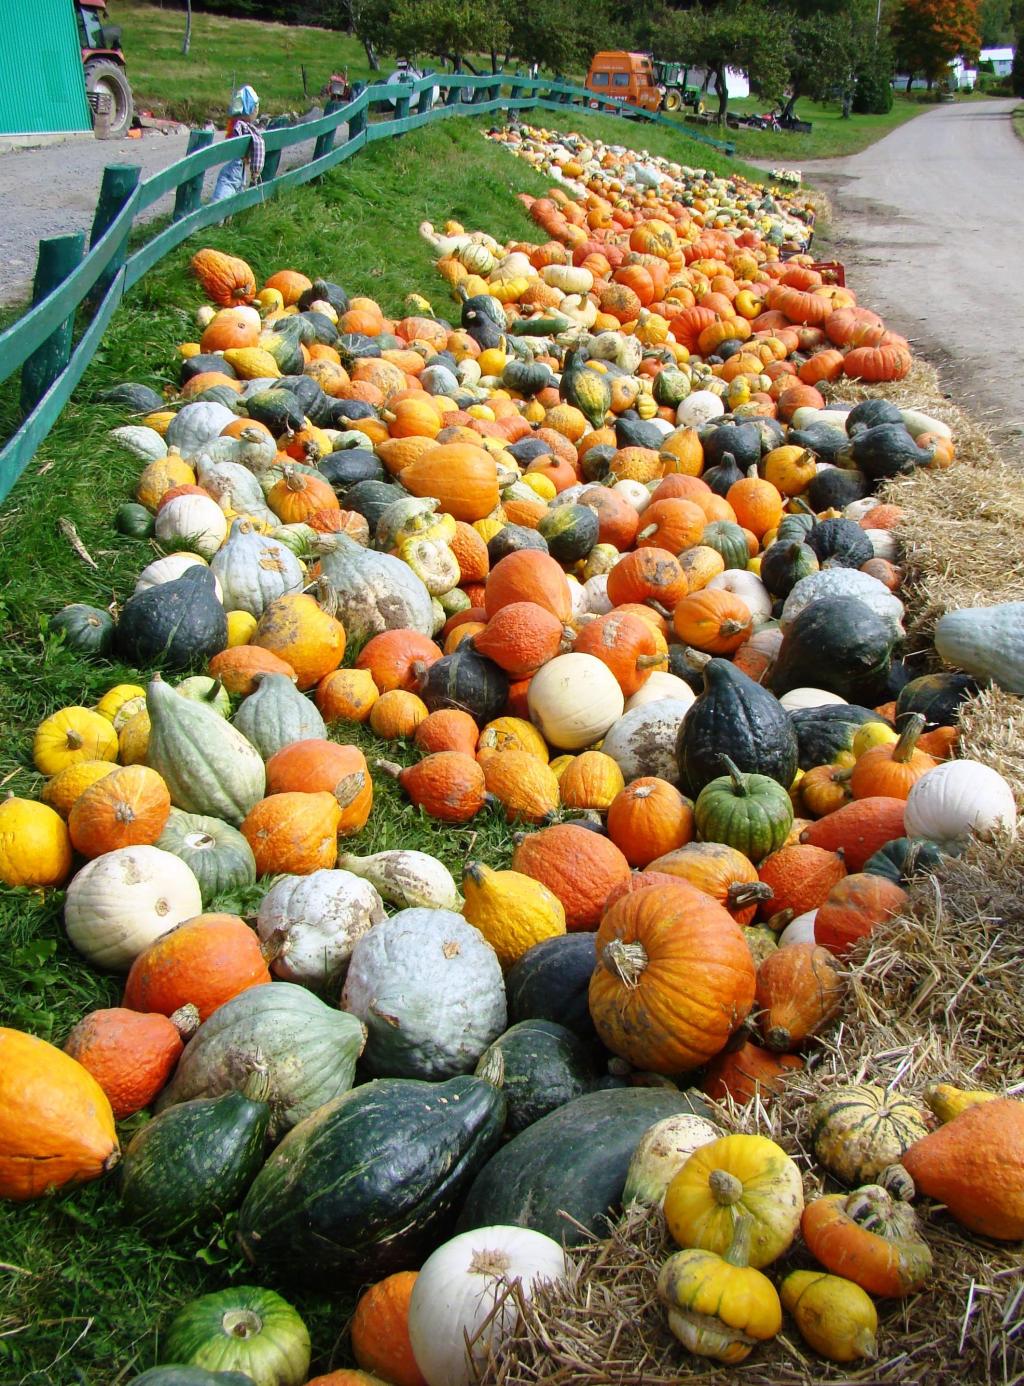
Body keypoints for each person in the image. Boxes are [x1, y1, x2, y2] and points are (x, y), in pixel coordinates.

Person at [211, 85, 265, 204]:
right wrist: (256, 169)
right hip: (239, 165)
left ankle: (219, 209)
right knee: (233, 184)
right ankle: (223, 209)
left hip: (235, 163)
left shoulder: (237, 125)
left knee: (228, 182)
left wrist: (255, 169)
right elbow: (258, 143)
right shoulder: (246, 127)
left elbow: (257, 143)